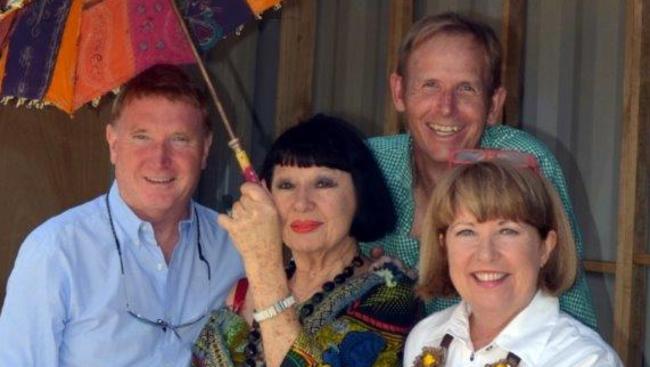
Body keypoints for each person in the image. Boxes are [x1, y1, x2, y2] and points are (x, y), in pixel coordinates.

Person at [361, 11, 597, 329]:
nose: (446, 107)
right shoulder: (367, 164)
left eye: (466, 89)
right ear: (399, 92)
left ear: (494, 103)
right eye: (429, 85)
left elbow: (569, 305)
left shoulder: (521, 163)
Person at [0, 64, 244, 366]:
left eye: (180, 139)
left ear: (205, 149)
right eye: (142, 137)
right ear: (113, 144)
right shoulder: (55, 252)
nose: (160, 159)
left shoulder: (235, 247)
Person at [192, 114, 423, 367]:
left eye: (323, 183)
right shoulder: (241, 294)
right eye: (287, 185)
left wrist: (264, 267)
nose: (302, 203)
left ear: (360, 194)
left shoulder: (393, 297)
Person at [403, 159, 621, 367]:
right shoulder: (425, 337)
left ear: (545, 247)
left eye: (507, 231)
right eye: (467, 232)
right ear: (444, 246)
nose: (486, 254)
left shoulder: (585, 360)